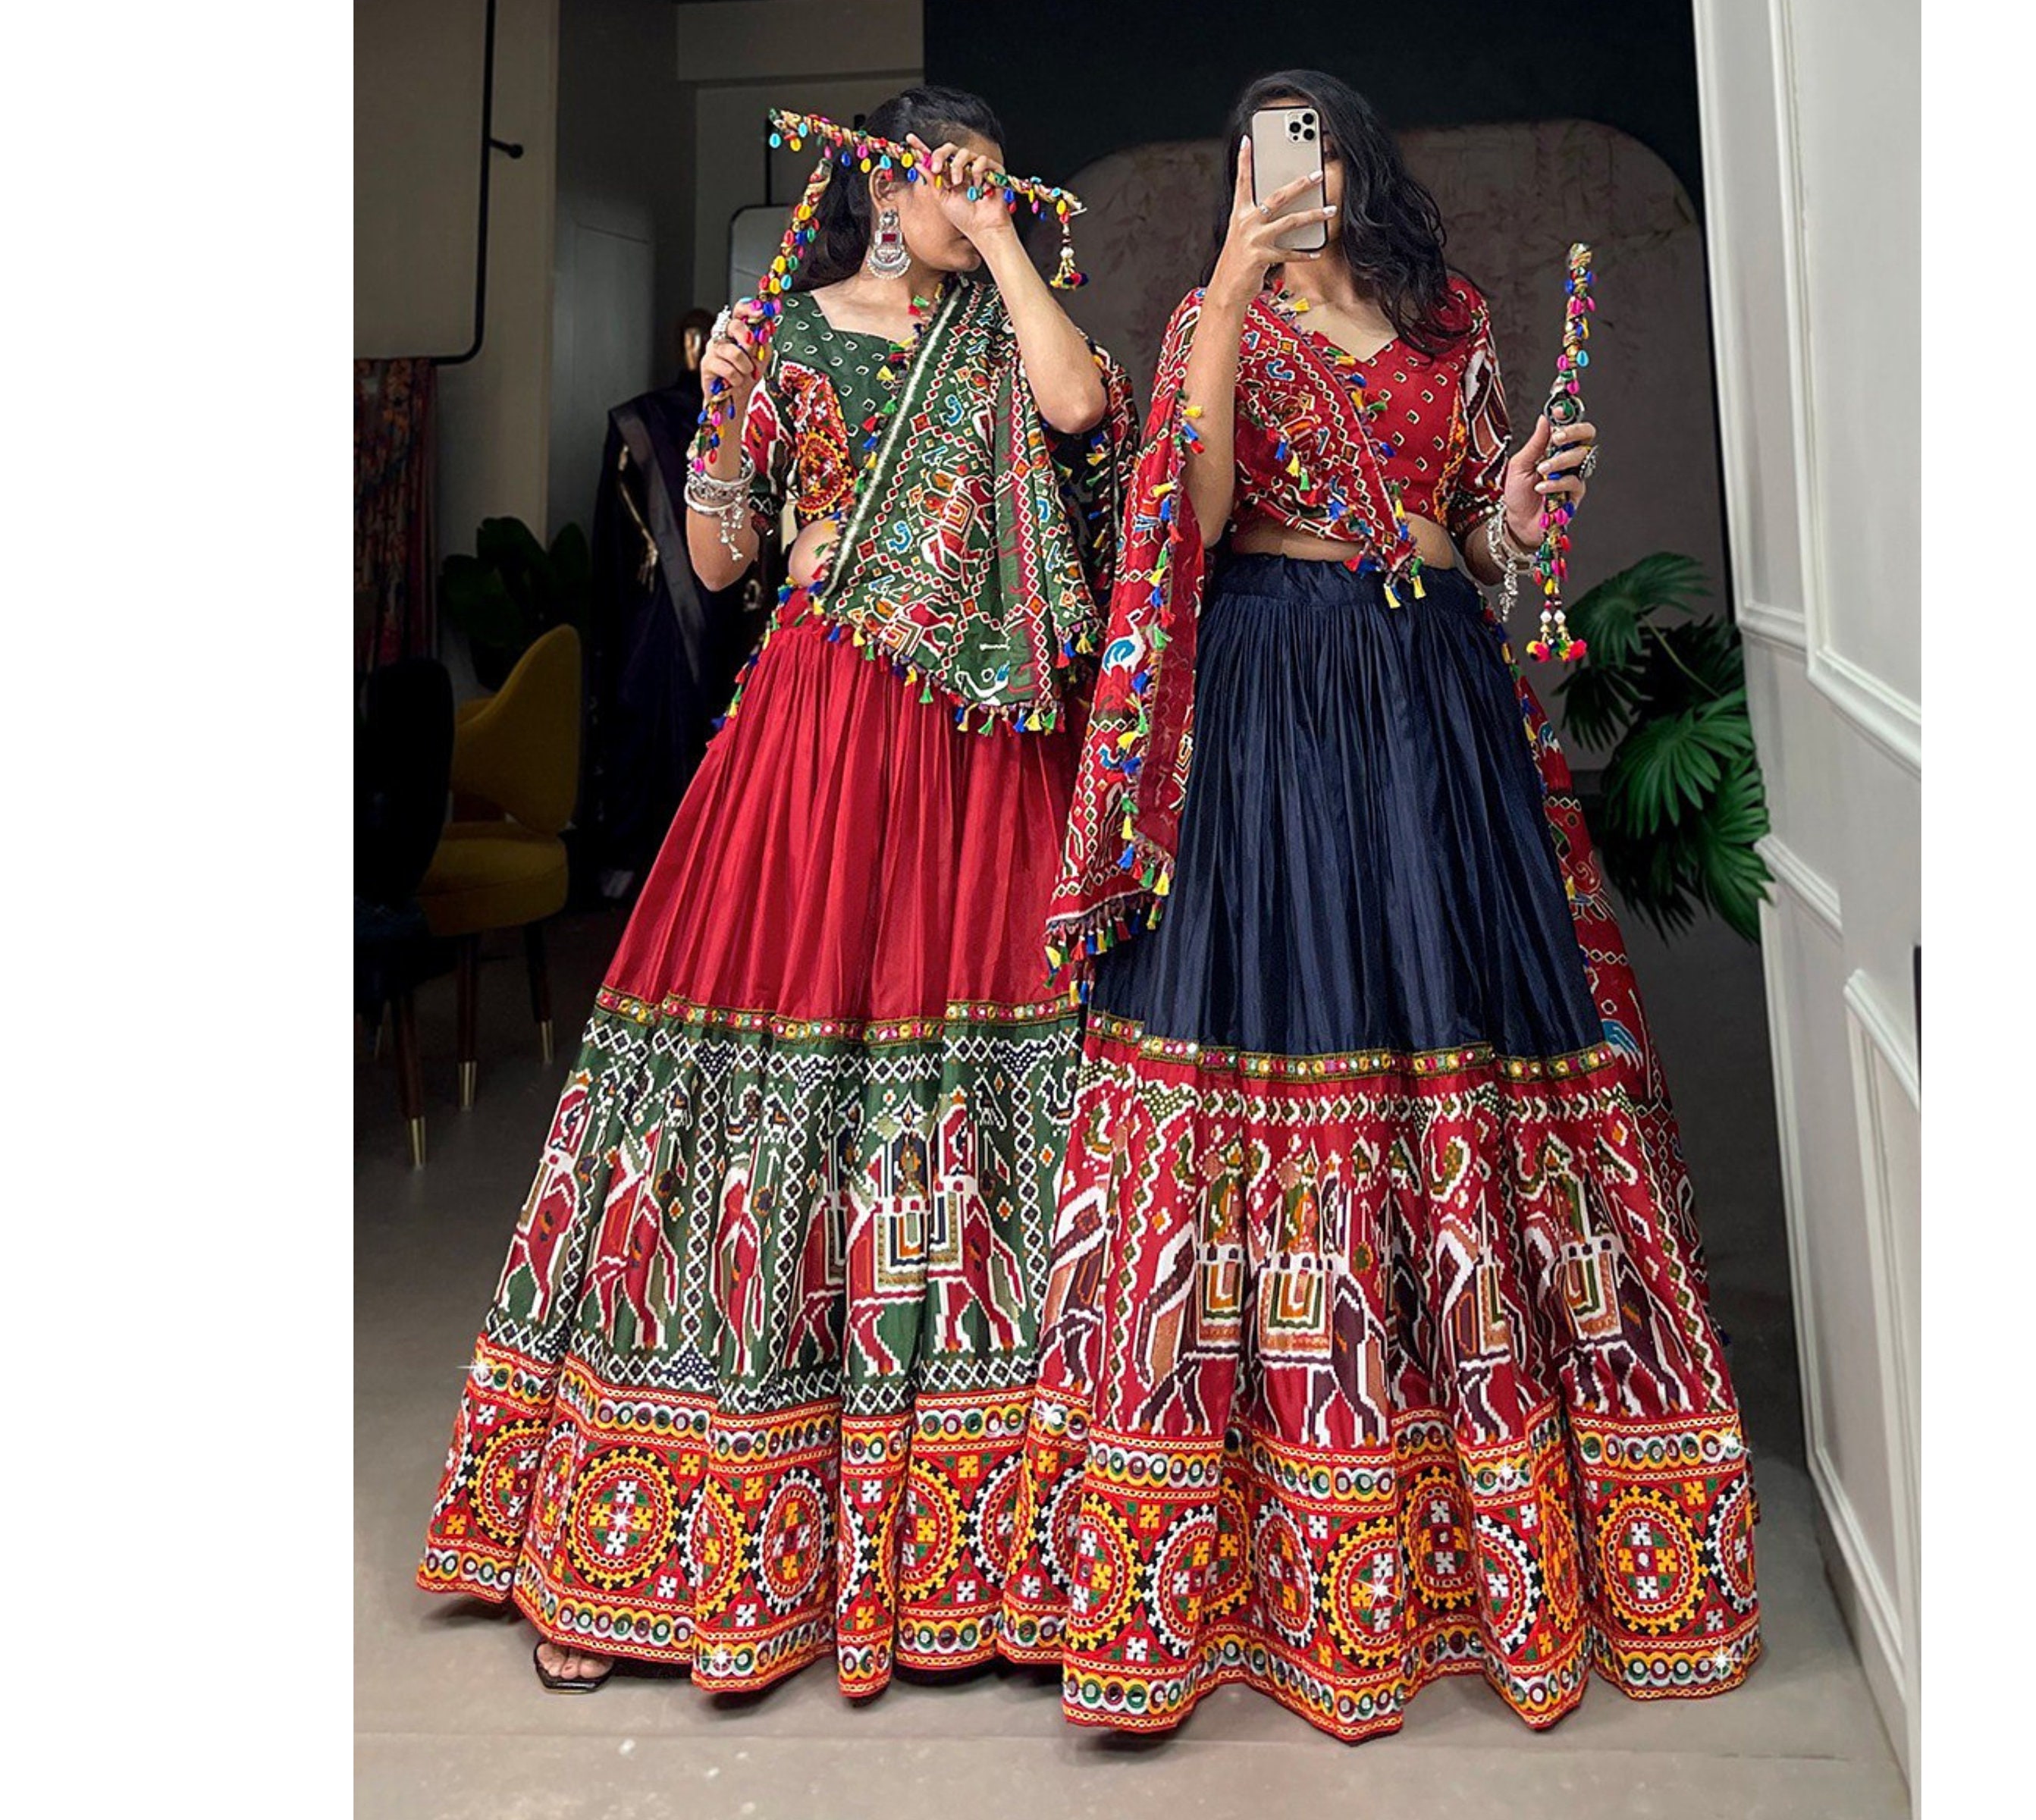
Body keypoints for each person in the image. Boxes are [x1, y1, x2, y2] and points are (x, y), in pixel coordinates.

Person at [997, 72, 1761, 1741]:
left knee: (1459, 1062)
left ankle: (1492, 1513)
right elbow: (1190, 522)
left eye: (1320, 141)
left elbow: (1487, 544)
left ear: (1364, 161)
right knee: (1286, 1054)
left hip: (1431, 706)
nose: (1300, 170)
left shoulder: (1452, 318)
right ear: (1239, 177)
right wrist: (1227, 288)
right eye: (1268, 149)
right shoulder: (1221, 312)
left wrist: (1519, 499)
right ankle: (1246, 1548)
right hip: (1274, 719)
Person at [416, 83, 1135, 1699]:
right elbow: (726, 562)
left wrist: (1009, 245)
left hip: (985, 749)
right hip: (818, 739)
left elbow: (1088, 416)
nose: (974, 193)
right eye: (951, 174)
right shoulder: (788, 335)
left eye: (989, 173)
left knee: (1000, 1104)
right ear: (885, 185)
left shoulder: (1016, 330)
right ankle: (649, 1537)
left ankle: (993, 1553)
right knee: (760, 1098)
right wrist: (724, 409)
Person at [586, 307, 766, 899]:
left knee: (713, 709)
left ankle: (708, 863)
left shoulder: (745, 411)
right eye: (690, 340)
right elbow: (621, 504)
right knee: (648, 706)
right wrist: (649, 551)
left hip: (724, 597)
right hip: (658, 599)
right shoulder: (645, 416)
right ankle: (652, 858)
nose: (696, 350)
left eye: (704, 339)